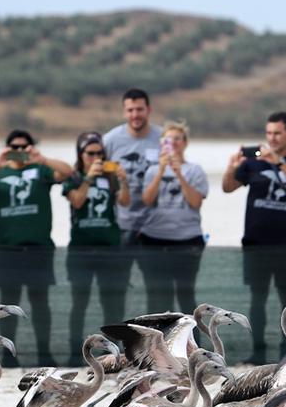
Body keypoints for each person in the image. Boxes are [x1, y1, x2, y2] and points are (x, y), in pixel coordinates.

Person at [0, 129, 73, 366]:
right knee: (8, 303)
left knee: (40, 302)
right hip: (6, 249)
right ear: (7, 149)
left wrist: (42, 159)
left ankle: (44, 351)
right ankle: (7, 353)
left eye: (23, 147)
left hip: (38, 248)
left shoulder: (40, 169)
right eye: (14, 147)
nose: (18, 152)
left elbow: (68, 172)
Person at [221, 111, 286, 364]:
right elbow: (227, 187)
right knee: (257, 298)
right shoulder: (253, 163)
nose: (271, 138)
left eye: (277, 133)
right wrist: (231, 167)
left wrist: (278, 162)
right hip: (256, 241)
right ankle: (258, 352)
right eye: (269, 133)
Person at [64, 131, 130, 365]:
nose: (95, 158)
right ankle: (76, 352)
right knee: (79, 302)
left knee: (112, 302)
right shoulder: (73, 177)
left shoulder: (109, 177)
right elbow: (77, 201)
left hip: (110, 248)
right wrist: (88, 178)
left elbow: (125, 202)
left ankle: (116, 353)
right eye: (90, 153)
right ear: (81, 155)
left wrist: (122, 179)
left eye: (99, 153)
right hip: (81, 249)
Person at [137, 121, 208, 315]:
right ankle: (157, 343)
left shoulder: (195, 170)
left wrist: (179, 174)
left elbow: (195, 202)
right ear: (162, 144)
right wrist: (161, 170)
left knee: (186, 296)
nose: (173, 143)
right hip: (155, 240)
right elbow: (147, 200)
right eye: (168, 139)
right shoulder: (152, 170)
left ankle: (193, 344)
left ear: (185, 143)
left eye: (177, 139)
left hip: (187, 241)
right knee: (159, 296)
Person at [104, 88, 163, 245]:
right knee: (119, 270)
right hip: (121, 224)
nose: (135, 115)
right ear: (124, 112)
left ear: (148, 110)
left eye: (139, 110)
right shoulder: (110, 140)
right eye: (130, 110)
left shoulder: (163, 138)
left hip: (155, 225)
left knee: (156, 271)